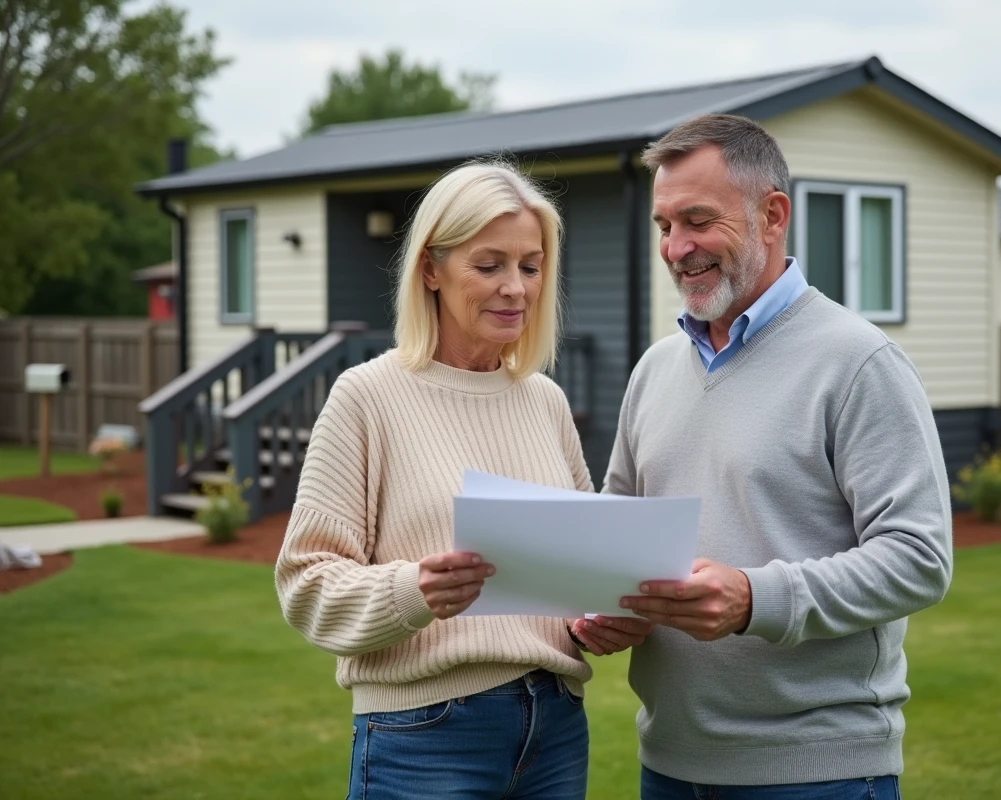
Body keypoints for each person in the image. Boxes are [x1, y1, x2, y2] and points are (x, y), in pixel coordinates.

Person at [275, 161, 651, 800]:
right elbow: (305, 586)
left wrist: (600, 616)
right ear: (431, 269)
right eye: (489, 265)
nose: (515, 288)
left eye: (530, 266)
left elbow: (578, 577)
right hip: (424, 736)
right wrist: (414, 589)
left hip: (556, 729)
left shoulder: (545, 402)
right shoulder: (367, 397)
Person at [605, 114, 954, 799]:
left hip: (817, 773)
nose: (676, 248)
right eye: (665, 226)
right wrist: (603, 605)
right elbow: (619, 531)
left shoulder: (858, 361)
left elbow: (919, 559)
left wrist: (753, 598)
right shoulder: (654, 369)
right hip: (668, 765)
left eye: (698, 221)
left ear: (772, 216)